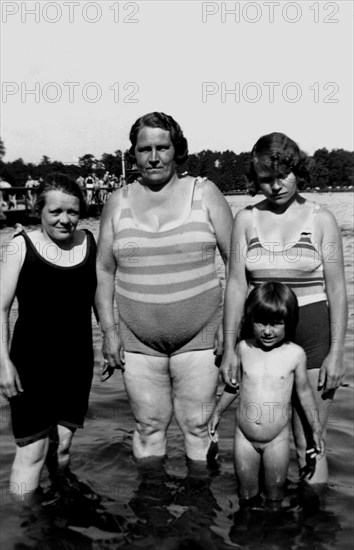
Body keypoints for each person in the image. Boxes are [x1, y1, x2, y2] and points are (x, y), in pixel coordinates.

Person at [95, 112, 233, 463]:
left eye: (162, 147)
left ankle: (202, 515)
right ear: (134, 154)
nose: (153, 157)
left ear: (177, 150)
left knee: (198, 427)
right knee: (148, 427)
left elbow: (238, 267)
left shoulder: (206, 193)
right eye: (144, 149)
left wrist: (230, 332)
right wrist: (109, 332)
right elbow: (103, 270)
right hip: (138, 340)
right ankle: (150, 513)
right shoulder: (117, 201)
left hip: (201, 337)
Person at [220, 132, 347, 483]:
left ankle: (315, 521)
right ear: (255, 179)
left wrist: (337, 353)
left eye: (283, 175)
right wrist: (230, 347)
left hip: (313, 332)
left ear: (298, 171)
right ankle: (260, 518)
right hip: (258, 334)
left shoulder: (321, 219)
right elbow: (234, 285)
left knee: (310, 435)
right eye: (265, 178)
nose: (275, 186)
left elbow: (337, 291)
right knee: (261, 428)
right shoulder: (245, 219)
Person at [0, 174, 97, 501]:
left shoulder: (89, 243)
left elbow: (100, 298)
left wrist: (113, 338)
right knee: (32, 453)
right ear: (38, 209)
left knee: (64, 446)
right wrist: (3, 364)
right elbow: (0, 309)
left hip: (75, 364)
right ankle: (25, 529)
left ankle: (61, 511)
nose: (65, 219)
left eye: (72, 211)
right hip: (31, 366)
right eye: (55, 211)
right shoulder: (20, 246)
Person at [209, 282, 323, 510]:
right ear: (250, 320)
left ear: (288, 322)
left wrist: (316, 427)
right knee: (246, 496)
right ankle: (245, 537)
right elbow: (233, 387)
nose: (267, 331)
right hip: (244, 438)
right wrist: (216, 413)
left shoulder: (295, 355)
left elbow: (305, 394)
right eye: (261, 323)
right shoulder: (243, 349)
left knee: (275, 498)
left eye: (276, 324)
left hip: (277, 441)